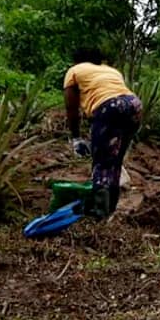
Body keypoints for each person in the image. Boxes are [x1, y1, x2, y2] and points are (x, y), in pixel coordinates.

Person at [63, 47, 142, 217]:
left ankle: (99, 214)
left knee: (102, 162)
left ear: (77, 60)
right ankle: (110, 209)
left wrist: (76, 138)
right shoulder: (110, 70)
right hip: (134, 105)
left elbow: (71, 108)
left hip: (109, 107)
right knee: (116, 161)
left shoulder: (74, 71)